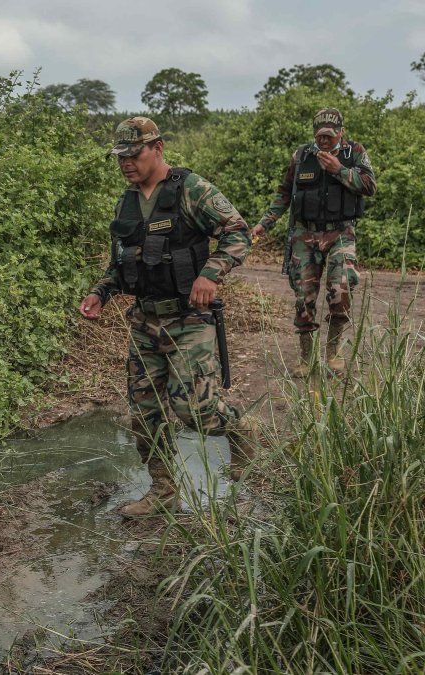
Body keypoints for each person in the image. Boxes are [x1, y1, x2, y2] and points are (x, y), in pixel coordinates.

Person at [79, 117, 264, 516]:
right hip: (145, 321)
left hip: (189, 319)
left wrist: (210, 273)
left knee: (195, 410)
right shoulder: (127, 201)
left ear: (157, 148)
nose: (126, 163)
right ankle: (162, 491)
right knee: (144, 414)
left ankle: (241, 430)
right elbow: (121, 262)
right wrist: (101, 292)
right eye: (120, 157)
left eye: (134, 154)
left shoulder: (190, 189)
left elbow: (237, 232)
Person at [252, 107, 376, 376]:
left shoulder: (353, 152)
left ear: (341, 133)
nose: (324, 141)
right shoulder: (301, 155)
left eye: (329, 136)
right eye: (320, 136)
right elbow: (284, 193)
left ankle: (333, 353)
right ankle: (307, 358)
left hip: (340, 232)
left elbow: (369, 185)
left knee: (340, 289)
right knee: (303, 297)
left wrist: (340, 170)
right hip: (304, 234)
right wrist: (264, 222)